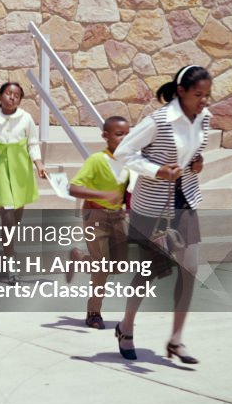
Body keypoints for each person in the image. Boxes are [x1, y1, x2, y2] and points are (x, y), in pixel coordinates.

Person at [113, 65, 212, 365]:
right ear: (180, 92)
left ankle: (176, 339)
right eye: (198, 95)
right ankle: (126, 327)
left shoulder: (204, 118)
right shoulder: (159, 120)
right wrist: (157, 170)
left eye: (208, 95)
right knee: (148, 271)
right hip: (153, 207)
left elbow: (193, 153)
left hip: (185, 200)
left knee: (190, 269)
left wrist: (196, 163)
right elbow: (124, 152)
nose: (204, 101)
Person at [67, 116, 131, 330]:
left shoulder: (129, 161)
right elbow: (73, 188)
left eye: (127, 134)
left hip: (118, 217)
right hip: (95, 217)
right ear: (105, 136)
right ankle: (93, 312)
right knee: (102, 267)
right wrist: (103, 195)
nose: (124, 138)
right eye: (119, 134)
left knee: (119, 265)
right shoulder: (96, 160)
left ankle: (79, 258)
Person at [0, 82, 47, 244]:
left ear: (19, 101)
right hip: (0, 166)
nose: (12, 97)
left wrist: (39, 164)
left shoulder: (26, 118)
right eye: (8, 93)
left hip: (21, 166)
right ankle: (9, 254)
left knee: (17, 210)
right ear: (0, 96)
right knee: (8, 211)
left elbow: (32, 143)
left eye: (16, 95)